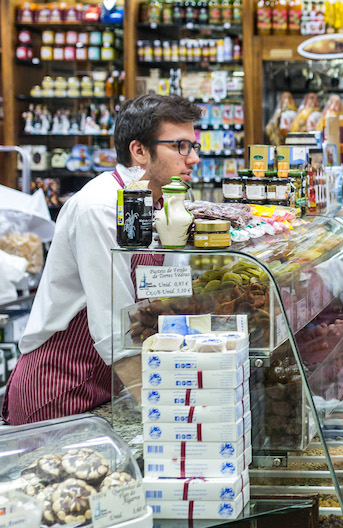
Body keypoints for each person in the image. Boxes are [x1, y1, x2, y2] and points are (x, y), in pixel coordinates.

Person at [2, 94, 202, 425]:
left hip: (109, 383)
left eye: (193, 147)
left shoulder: (164, 204)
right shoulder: (100, 207)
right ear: (139, 151)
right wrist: (164, 417)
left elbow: (159, 299)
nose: (193, 158)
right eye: (180, 146)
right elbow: (114, 323)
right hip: (58, 389)